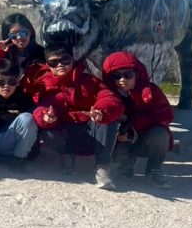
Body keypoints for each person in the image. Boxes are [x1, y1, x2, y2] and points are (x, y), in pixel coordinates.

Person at [33, 48, 125, 189]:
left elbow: (109, 97)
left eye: (64, 60)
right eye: (54, 62)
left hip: (91, 131)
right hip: (66, 133)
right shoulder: (45, 85)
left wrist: (101, 111)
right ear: (48, 65)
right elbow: (41, 107)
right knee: (47, 131)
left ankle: (102, 167)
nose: (60, 65)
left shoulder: (89, 81)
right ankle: (66, 156)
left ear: (72, 60)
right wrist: (46, 116)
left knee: (108, 119)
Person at [102, 51, 174, 189]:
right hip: (119, 138)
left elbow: (166, 116)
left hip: (144, 138)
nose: (122, 80)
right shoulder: (108, 94)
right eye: (117, 76)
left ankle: (154, 170)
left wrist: (133, 126)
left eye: (128, 75)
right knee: (108, 127)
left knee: (161, 134)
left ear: (137, 73)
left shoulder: (151, 92)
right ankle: (124, 166)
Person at [0, 13, 46, 94]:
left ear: (30, 32)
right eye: (13, 35)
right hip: (3, 96)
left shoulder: (42, 54)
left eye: (23, 32)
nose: (19, 37)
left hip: (29, 98)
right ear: (8, 37)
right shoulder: (1, 53)